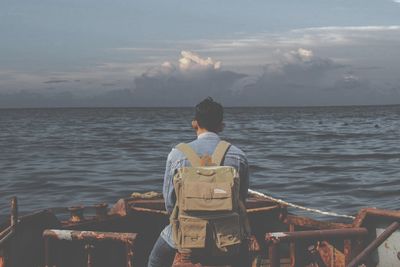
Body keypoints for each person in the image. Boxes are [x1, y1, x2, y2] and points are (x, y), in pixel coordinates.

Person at [148, 97, 250, 267]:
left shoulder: (177, 155)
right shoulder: (238, 155)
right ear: (221, 126)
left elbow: (170, 203)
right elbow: (241, 199)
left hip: (188, 233)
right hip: (226, 234)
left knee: (155, 260)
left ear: (194, 123)